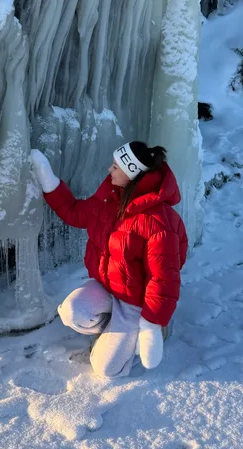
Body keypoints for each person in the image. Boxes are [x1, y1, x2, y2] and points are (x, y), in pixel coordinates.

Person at [30, 141, 188, 379]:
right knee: (71, 312)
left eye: (115, 166)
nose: (109, 170)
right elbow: (75, 212)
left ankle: (155, 330)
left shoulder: (157, 221)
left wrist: (152, 324)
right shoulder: (109, 200)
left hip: (135, 301)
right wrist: (48, 179)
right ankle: (118, 332)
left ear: (131, 174)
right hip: (107, 287)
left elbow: (163, 279)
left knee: (107, 369)